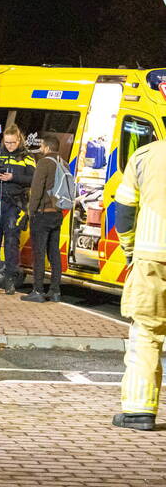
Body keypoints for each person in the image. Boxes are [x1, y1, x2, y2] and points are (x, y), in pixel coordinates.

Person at [112, 139, 166, 431]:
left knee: (146, 333)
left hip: (151, 256)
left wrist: (129, 247)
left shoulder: (145, 155)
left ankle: (139, 411)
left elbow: (124, 209)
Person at [0, 124, 35, 294]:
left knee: (11, 242)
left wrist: (13, 177)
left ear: (19, 140)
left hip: (14, 205)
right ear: (3, 140)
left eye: (13, 143)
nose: (10, 146)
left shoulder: (26, 157)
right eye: (7, 142)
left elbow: (33, 179)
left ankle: (10, 278)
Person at [21, 136, 65, 303]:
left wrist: (30, 212)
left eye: (41, 146)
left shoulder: (44, 163)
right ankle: (55, 291)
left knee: (38, 253)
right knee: (54, 253)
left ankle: (38, 290)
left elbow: (37, 190)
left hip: (42, 213)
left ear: (46, 147)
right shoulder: (64, 163)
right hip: (57, 214)